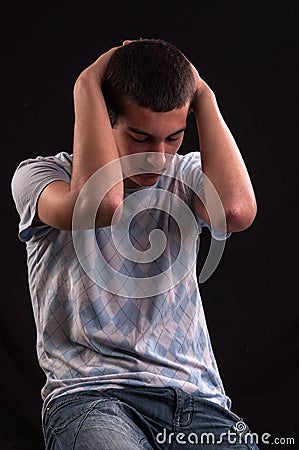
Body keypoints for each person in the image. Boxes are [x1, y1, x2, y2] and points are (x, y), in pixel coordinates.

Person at [11, 39, 258, 449]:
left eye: (174, 138)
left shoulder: (188, 175)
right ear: (105, 119)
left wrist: (203, 94)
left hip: (199, 400)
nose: (158, 158)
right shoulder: (40, 177)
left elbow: (234, 211)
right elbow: (99, 206)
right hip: (93, 398)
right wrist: (88, 82)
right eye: (141, 138)